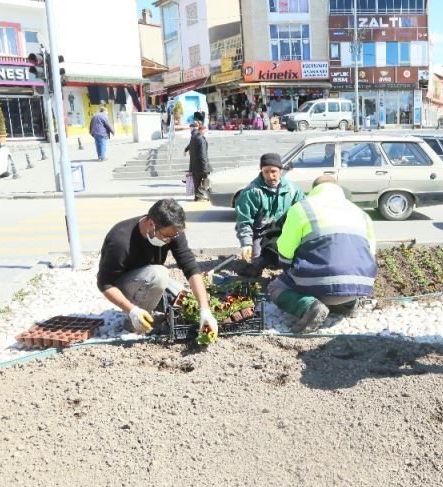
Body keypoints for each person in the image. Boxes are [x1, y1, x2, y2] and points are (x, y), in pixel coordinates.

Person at [269, 175, 377, 333]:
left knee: (276, 287)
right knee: (345, 273)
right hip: (361, 285)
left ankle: (309, 307)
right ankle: (348, 305)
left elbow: (285, 250)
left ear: (314, 190)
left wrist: (288, 269)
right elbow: (370, 253)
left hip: (321, 284)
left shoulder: (302, 208)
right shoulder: (361, 213)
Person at [97, 199, 217, 336]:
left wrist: (205, 309)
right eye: (166, 236)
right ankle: (136, 324)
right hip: (122, 287)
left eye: (173, 236)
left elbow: (190, 266)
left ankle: (152, 308)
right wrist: (132, 311)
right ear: (151, 224)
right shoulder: (121, 240)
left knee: (185, 299)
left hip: (147, 279)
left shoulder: (172, 230)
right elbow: (104, 283)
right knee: (159, 274)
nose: (170, 240)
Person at [234, 153, 305, 273]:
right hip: (260, 234)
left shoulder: (292, 190)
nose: (270, 176)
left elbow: (305, 213)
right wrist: (246, 244)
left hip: (283, 233)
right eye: (265, 171)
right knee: (257, 264)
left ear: (280, 171)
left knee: (290, 261)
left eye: (273, 171)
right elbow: (244, 221)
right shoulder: (252, 192)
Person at [187, 123, 212, 201]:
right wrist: (205, 167)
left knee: (197, 182)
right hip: (201, 166)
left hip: (194, 165)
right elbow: (203, 154)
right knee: (207, 180)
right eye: (205, 130)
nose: (205, 132)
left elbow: (191, 151)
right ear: (202, 130)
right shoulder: (201, 139)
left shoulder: (193, 138)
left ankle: (197, 197)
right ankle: (201, 193)